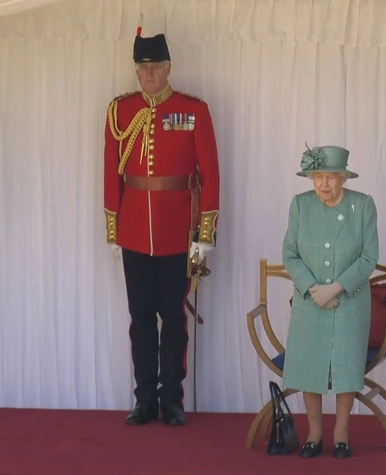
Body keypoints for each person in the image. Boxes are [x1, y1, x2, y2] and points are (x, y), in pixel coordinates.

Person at [103, 28, 220, 426]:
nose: (148, 73)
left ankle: (171, 398)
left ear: (169, 68)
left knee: (173, 318)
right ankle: (144, 401)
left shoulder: (193, 110)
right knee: (140, 319)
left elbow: (211, 175)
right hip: (135, 230)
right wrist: (113, 228)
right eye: (142, 67)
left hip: (176, 232)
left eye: (155, 66)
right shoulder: (120, 111)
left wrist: (205, 234)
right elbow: (110, 173)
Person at [281, 144, 379, 459]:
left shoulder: (362, 206)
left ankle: (341, 432)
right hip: (310, 302)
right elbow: (290, 255)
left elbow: (368, 258)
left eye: (331, 177)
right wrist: (313, 289)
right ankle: (314, 432)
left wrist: (336, 287)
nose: (323, 184)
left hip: (349, 301)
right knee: (310, 365)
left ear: (343, 178)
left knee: (347, 365)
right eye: (317, 177)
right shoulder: (300, 205)